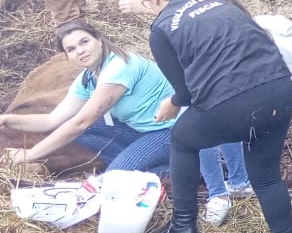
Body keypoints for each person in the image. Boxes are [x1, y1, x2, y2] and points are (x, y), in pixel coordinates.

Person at [142, 0, 292, 233]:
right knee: (265, 176)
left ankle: (183, 227)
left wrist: (172, 103)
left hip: (232, 102)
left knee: (182, 139)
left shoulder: (162, 27)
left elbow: (185, 93)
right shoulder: (223, 1)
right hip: (279, 90)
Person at [110, 0, 252, 227]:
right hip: (212, 49)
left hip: (202, 53)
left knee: (193, 126)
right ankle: (240, 180)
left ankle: (218, 194)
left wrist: (140, 8)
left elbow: (183, 17)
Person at [0, 22, 175, 173]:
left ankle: (187, 166)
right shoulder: (87, 78)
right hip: (140, 129)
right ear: (67, 56)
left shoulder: (119, 67)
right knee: (68, 126)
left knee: (116, 175)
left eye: (84, 42)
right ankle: (137, 156)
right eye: (71, 49)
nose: (80, 51)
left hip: (170, 130)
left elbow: (81, 123)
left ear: (98, 40)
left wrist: (30, 154)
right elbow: (51, 120)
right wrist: (6, 119)